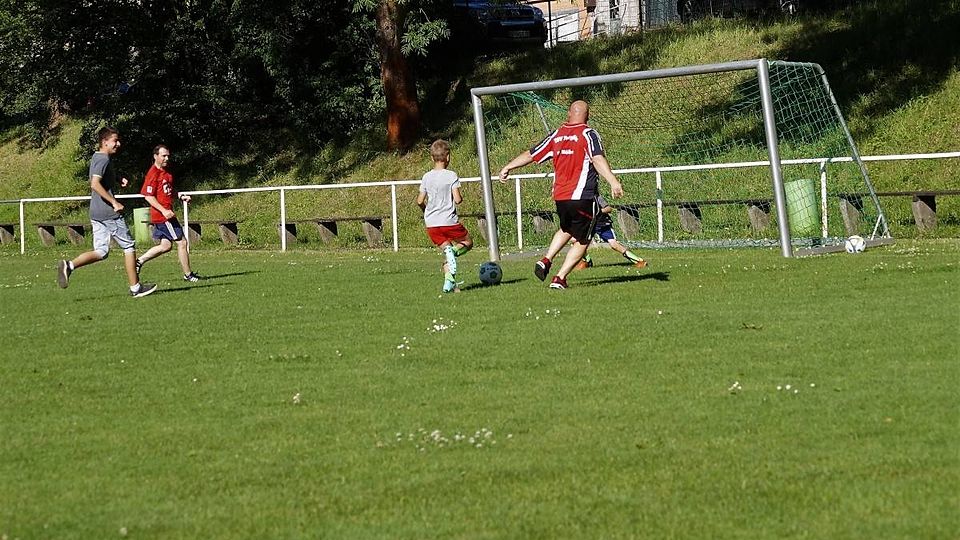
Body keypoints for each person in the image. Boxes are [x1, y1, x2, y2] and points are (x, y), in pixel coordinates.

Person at [499, 100, 624, 289]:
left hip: (560, 197)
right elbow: (597, 158)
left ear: (568, 114)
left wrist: (508, 166)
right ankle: (560, 278)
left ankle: (546, 259)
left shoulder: (557, 134)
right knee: (584, 239)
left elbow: (532, 154)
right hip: (582, 196)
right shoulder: (588, 134)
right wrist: (613, 181)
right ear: (588, 116)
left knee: (567, 228)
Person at [56, 127, 157, 297]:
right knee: (128, 246)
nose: (118, 144)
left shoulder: (98, 157)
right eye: (115, 141)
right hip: (108, 212)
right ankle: (136, 288)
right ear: (105, 142)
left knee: (101, 251)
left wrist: (117, 178)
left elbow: (100, 177)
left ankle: (69, 265)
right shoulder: (103, 159)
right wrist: (114, 202)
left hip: (96, 212)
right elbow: (95, 184)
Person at [135, 145, 201, 282]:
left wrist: (180, 196)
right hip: (163, 217)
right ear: (155, 156)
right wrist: (164, 210)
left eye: (168, 156)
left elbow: (167, 191)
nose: (167, 158)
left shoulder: (165, 173)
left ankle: (139, 261)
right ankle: (188, 275)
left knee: (166, 246)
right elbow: (148, 196)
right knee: (182, 242)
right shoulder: (153, 174)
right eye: (163, 156)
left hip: (166, 214)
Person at [417, 139, 473, 293]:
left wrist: (426, 211)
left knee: (447, 252)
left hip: (431, 223)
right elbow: (458, 199)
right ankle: (453, 252)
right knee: (468, 242)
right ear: (448, 157)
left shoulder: (426, 177)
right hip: (448, 221)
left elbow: (419, 201)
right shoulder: (451, 175)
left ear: (432, 158)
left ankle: (450, 284)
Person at [576, 194, 647, 270]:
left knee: (614, 245)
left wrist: (597, 211)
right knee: (576, 241)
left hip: (602, 224)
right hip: (588, 224)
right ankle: (587, 261)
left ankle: (639, 261)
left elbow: (608, 209)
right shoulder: (578, 198)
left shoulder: (596, 197)